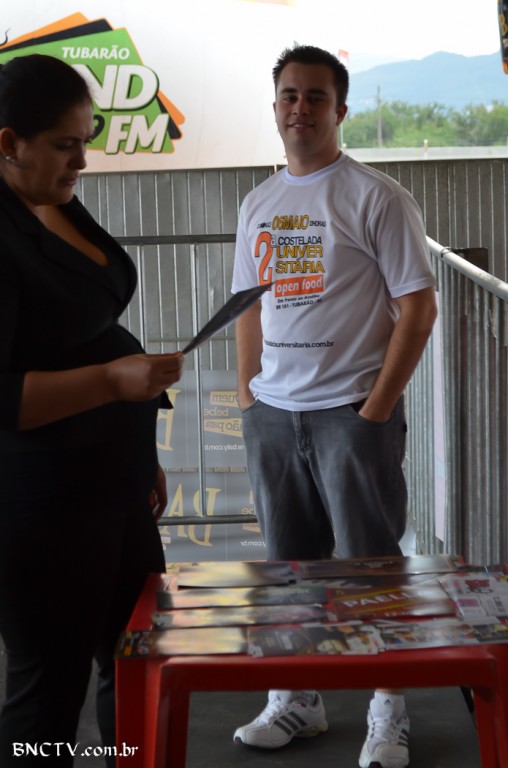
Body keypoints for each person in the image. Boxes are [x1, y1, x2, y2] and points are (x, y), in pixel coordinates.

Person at [231, 44, 437, 768]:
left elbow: (418, 308)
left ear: (340, 109)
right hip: (274, 416)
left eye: (316, 96)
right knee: (288, 567)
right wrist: (248, 397)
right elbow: (248, 307)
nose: (301, 108)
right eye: (290, 95)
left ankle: (389, 710)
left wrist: (375, 409)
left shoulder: (376, 197)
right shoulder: (258, 203)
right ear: (276, 106)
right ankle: (297, 698)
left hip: (350, 412)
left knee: (370, 567)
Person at [0, 54, 184, 766]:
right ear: (9, 142)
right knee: (50, 693)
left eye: (86, 139)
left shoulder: (51, 196)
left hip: (112, 483)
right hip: (42, 502)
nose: (81, 160)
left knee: (136, 657)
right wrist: (111, 382)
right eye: (65, 144)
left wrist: (139, 456)